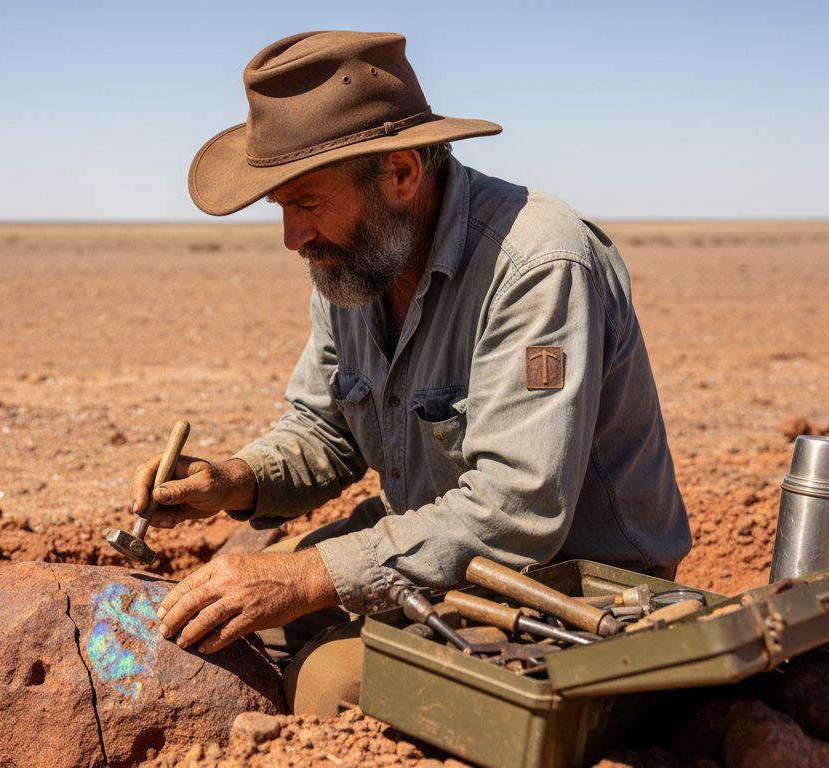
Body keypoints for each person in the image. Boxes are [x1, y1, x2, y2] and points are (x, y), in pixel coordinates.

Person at [128, 30, 691, 716]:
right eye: (282, 208)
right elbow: (325, 428)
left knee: (327, 685)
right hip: (433, 535)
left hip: (576, 580)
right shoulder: (352, 262)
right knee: (235, 623)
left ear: (400, 174)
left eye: (308, 203)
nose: (292, 238)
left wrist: (309, 576)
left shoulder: (537, 264)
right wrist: (233, 479)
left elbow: (517, 509)